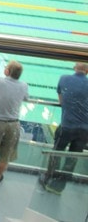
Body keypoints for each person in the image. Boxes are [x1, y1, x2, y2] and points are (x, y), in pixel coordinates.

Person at [39, 62, 88, 195]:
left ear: (74, 68)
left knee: (57, 152)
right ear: (87, 71)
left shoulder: (64, 79)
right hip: (85, 129)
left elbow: (61, 102)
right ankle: (58, 187)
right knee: (72, 158)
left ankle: (48, 179)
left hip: (67, 126)